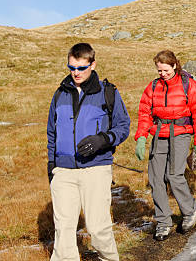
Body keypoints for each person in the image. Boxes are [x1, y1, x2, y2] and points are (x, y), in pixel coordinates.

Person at [46, 43, 130, 261]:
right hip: (63, 170)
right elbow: (51, 132)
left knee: (97, 228)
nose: (75, 73)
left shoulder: (107, 92)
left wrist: (103, 139)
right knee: (63, 229)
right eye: (71, 67)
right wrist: (52, 167)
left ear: (93, 64)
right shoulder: (60, 94)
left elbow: (122, 126)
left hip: (96, 168)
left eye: (81, 68)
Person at [134, 50, 196, 241]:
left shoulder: (188, 84)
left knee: (174, 175)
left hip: (181, 134)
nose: (162, 74)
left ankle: (189, 209)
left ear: (174, 66)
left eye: (165, 70)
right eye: (159, 71)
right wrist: (141, 137)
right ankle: (163, 222)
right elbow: (144, 113)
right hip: (159, 134)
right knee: (156, 178)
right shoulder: (153, 86)